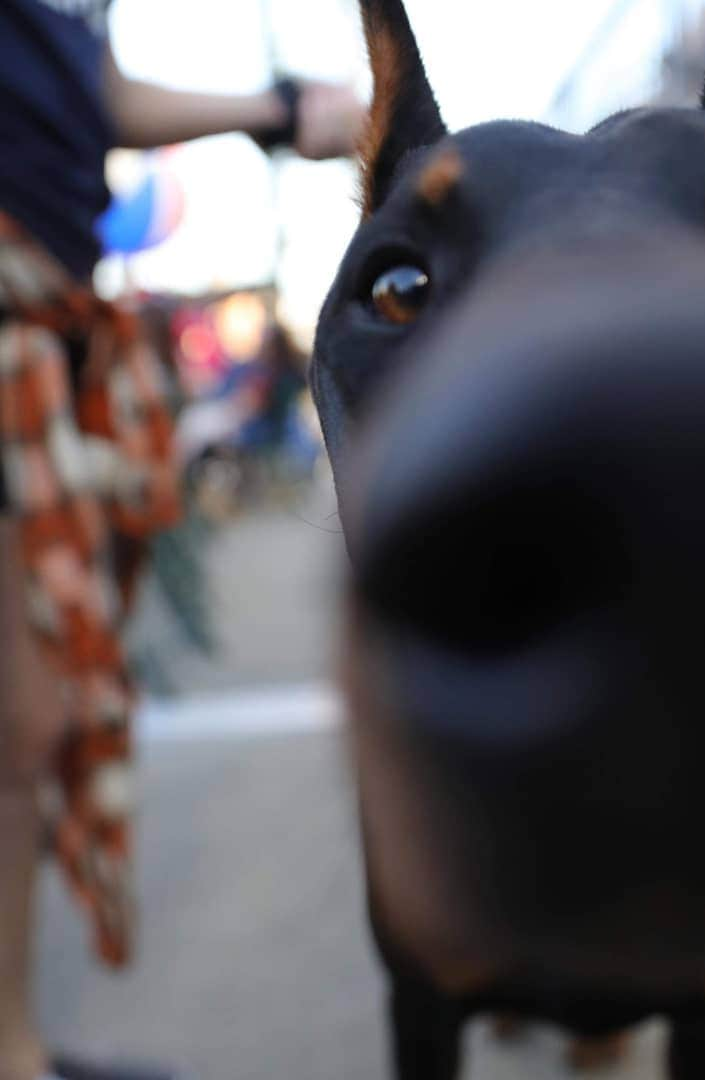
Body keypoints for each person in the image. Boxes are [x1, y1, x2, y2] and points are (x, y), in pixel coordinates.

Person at [0, 3, 367, 1079]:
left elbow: (84, 87)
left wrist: (278, 110)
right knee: (23, 719)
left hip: (48, 316)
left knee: (33, 723)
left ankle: (12, 1046)